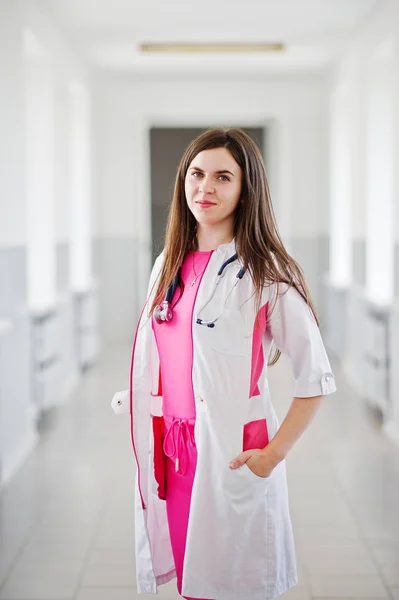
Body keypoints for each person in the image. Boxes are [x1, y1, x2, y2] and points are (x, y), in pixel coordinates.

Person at [111, 127, 336, 600]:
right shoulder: (167, 265)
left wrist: (272, 456)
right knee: (193, 585)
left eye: (222, 177)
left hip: (232, 453)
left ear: (245, 188)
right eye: (196, 174)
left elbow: (315, 377)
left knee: (232, 586)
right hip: (174, 455)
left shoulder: (266, 271)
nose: (205, 187)